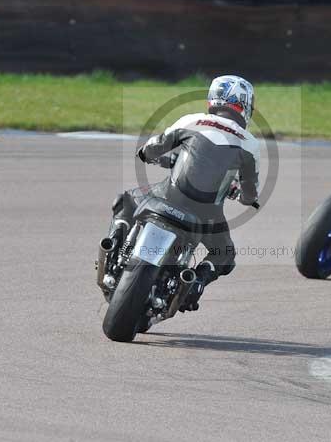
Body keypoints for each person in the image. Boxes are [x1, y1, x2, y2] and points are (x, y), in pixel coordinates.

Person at [108, 75, 260, 312]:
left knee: (126, 200)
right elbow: (250, 192)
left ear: (213, 99)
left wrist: (149, 156)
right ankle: (198, 280)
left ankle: (114, 251)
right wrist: (243, 196)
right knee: (225, 254)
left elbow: (151, 148)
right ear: (245, 106)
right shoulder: (249, 143)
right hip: (206, 214)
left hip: (169, 195)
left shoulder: (193, 120)